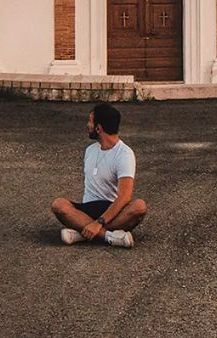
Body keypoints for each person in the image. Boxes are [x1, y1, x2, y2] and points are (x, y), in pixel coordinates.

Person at [51, 103, 148, 248]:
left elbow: (124, 197)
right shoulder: (90, 150)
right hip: (88, 208)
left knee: (139, 207)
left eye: (90, 121)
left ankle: (82, 233)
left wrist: (99, 223)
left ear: (98, 128)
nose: (87, 125)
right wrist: (95, 225)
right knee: (59, 205)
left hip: (112, 211)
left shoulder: (124, 154)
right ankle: (108, 236)